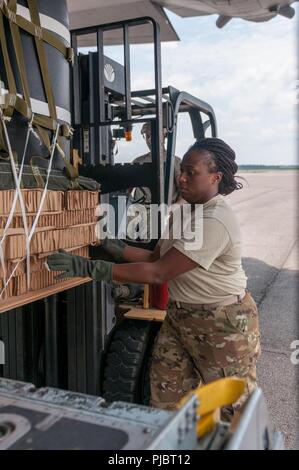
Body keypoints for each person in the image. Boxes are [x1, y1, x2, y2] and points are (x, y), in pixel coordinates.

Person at [47, 137, 261, 415]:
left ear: (215, 177)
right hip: (180, 317)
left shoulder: (216, 220)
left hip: (221, 324)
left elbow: (159, 273)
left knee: (235, 410)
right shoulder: (183, 213)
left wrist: (89, 269)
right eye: (181, 171)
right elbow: (153, 258)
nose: (181, 178)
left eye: (191, 173)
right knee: (165, 399)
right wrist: (115, 247)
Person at [127, 122, 181, 241]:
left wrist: (174, 208)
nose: (150, 140)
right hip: (140, 209)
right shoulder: (138, 162)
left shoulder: (175, 162)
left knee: (150, 235)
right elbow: (127, 189)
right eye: (147, 136)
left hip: (163, 210)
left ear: (164, 137)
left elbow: (185, 193)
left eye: (154, 136)